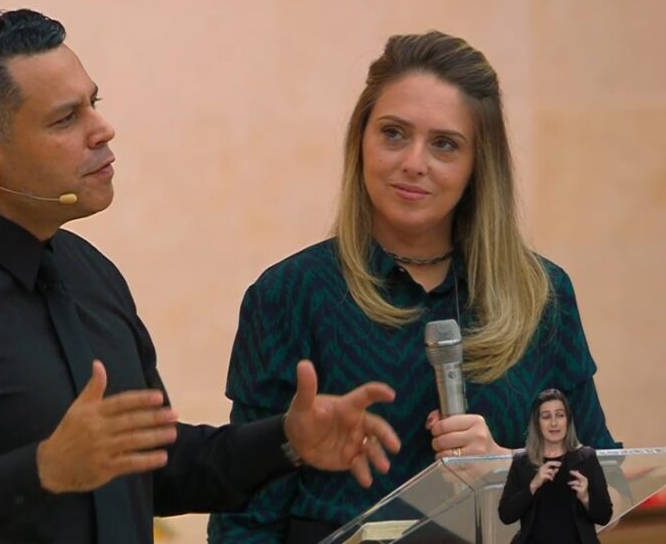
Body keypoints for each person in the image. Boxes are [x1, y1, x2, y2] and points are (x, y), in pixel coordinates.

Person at [0, 9, 402, 544]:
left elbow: (153, 467)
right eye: (66, 118)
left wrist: (286, 441)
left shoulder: (89, 272)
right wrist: (42, 471)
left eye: (92, 103)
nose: (102, 129)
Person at [208, 31, 619, 543]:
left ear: (479, 165)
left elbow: (605, 490)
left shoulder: (542, 294)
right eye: (394, 133)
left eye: (444, 144)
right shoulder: (289, 295)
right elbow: (246, 518)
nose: (414, 163)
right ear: (361, 141)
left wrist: (510, 469)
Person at [498, 389, 612, 543]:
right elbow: (506, 515)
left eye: (560, 415)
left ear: (568, 420)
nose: (554, 423)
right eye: (546, 417)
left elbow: (604, 516)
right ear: (537, 423)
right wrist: (533, 486)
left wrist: (585, 497)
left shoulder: (587, 459)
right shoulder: (522, 462)